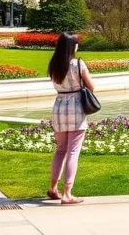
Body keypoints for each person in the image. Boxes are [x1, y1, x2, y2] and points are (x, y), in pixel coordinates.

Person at [47, 32, 91, 204]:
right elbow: (91, 86)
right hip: (76, 110)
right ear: (73, 47)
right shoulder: (78, 64)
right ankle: (67, 193)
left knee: (60, 150)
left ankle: (53, 188)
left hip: (59, 108)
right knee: (73, 151)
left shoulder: (53, 64)